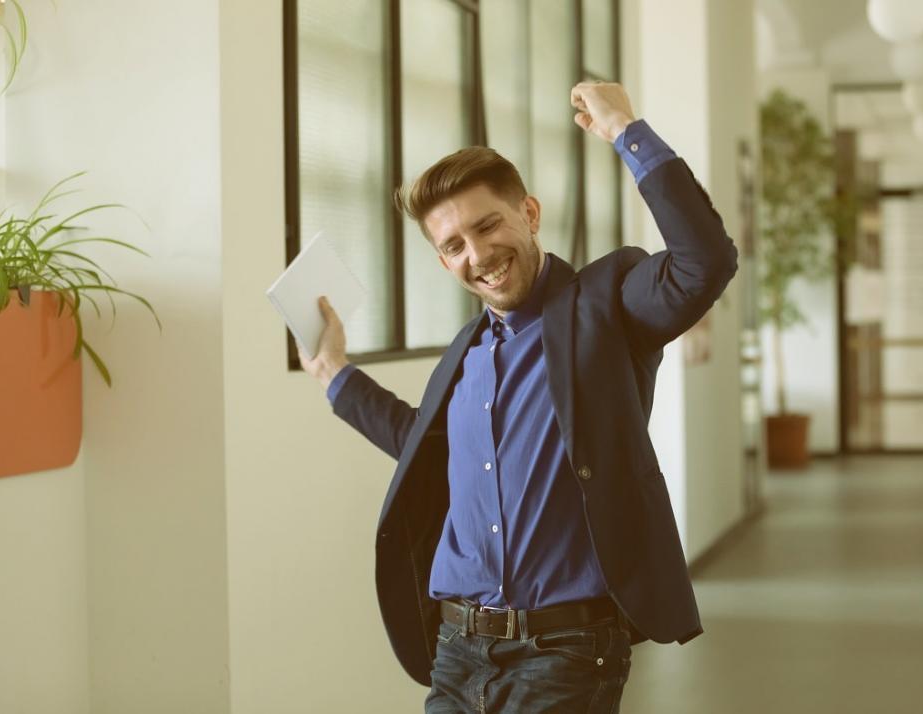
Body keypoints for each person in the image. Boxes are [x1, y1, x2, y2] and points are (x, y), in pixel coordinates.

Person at [298, 81, 738, 712]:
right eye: (453, 246)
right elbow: (422, 443)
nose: (478, 254)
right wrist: (335, 374)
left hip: (564, 653)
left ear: (528, 214)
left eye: (488, 226)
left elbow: (705, 262)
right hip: (455, 651)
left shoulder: (606, 303)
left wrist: (626, 132)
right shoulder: (466, 353)